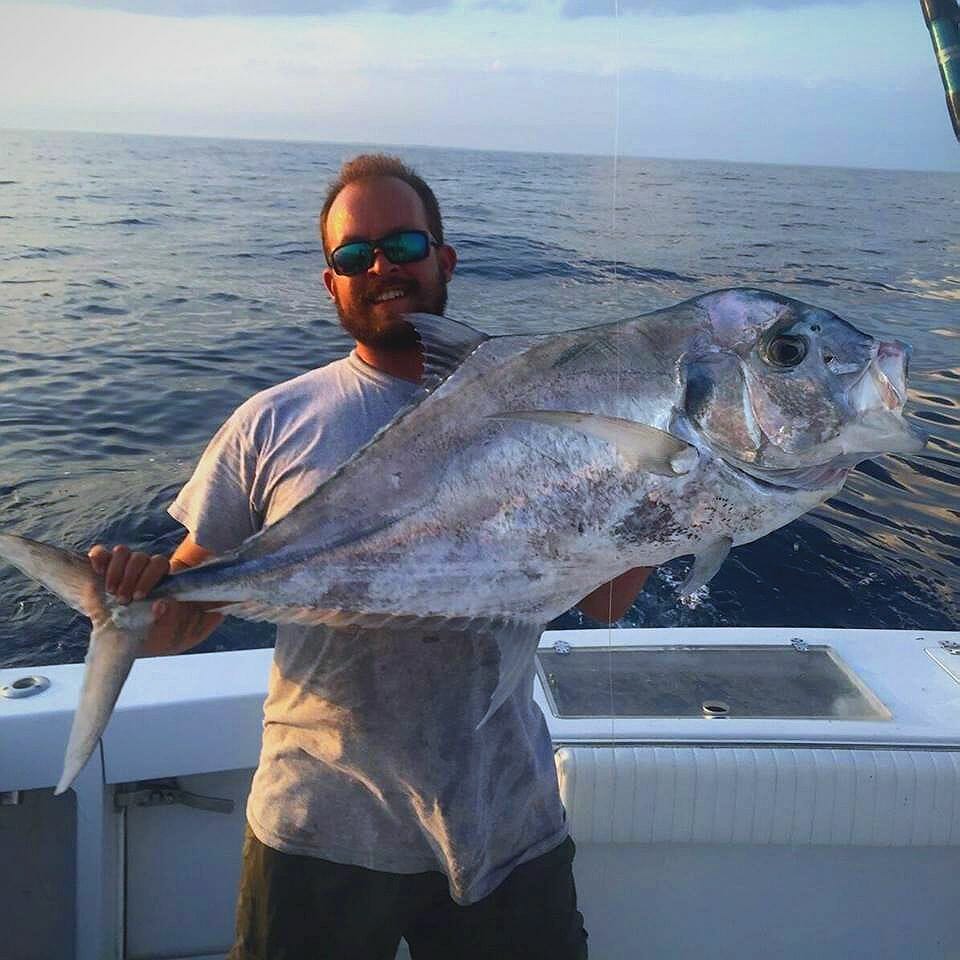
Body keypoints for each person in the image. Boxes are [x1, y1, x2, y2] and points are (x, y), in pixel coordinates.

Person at [88, 154, 652, 960]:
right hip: (317, 829)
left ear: (444, 260)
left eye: (404, 246)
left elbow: (604, 603)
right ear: (331, 283)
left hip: (502, 820)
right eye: (356, 257)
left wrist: (661, 511)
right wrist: (133, 603)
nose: (381, 268)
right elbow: (183, 623)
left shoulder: (548, 415)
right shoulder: (271, 424)